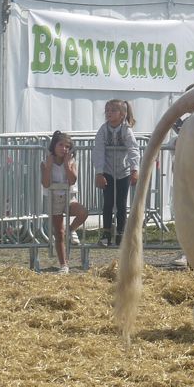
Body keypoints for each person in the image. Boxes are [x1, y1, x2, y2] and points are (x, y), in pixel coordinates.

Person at [94, 99, 140, 247]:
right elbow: (98, 151)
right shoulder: (103, 130)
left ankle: (121, 233)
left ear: (122, 114)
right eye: (107, 110)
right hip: (107, 171)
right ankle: (106, 233)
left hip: (123, 172)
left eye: (113, 110)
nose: (109, 113)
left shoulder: (126, 130)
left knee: (121, 204)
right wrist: (99, 173)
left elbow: (133, 149)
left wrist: (134, 169)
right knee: (108, 203)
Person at [41, 130, 88, 274]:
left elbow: (72, 180)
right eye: (61, 145)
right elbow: (46, 183)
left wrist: (67, 165)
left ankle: (71, 230)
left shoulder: (71, 162)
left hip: (69, 198)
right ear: (54, 146)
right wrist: (49, 167)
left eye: (67, 146)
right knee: (59, 233)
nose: (64, 149)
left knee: (83, 212)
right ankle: (63, 264)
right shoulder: (46, 162)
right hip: (54, 199)